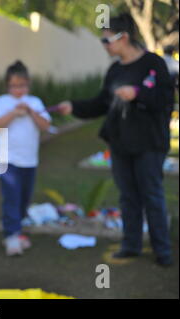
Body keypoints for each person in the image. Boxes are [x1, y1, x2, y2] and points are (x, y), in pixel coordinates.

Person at [57, 13, 175, 267]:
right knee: (128, 196)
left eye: (107, 40)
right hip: (121, 144)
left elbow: (166, 100)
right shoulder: (114, 71)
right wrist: (73, 106)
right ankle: (131, 244)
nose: (105, 46)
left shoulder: (154, 64)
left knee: (151, 195)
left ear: (124, 38)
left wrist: (138, 93)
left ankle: (162, 250)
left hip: (150, 144)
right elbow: (101, 103)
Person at [0, 61, 51, 256]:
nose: (18, 90)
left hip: (30, 159)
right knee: (11, 197)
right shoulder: (1, 102)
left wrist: (31, 112)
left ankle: (18, 230)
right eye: (14, 86)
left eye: (22, 86)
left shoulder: (35, 102)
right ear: (8, 85)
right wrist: (14, 113)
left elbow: (46, 125)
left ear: (28, 84)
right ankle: (11, 235)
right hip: (8, 158)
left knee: (24, 198)